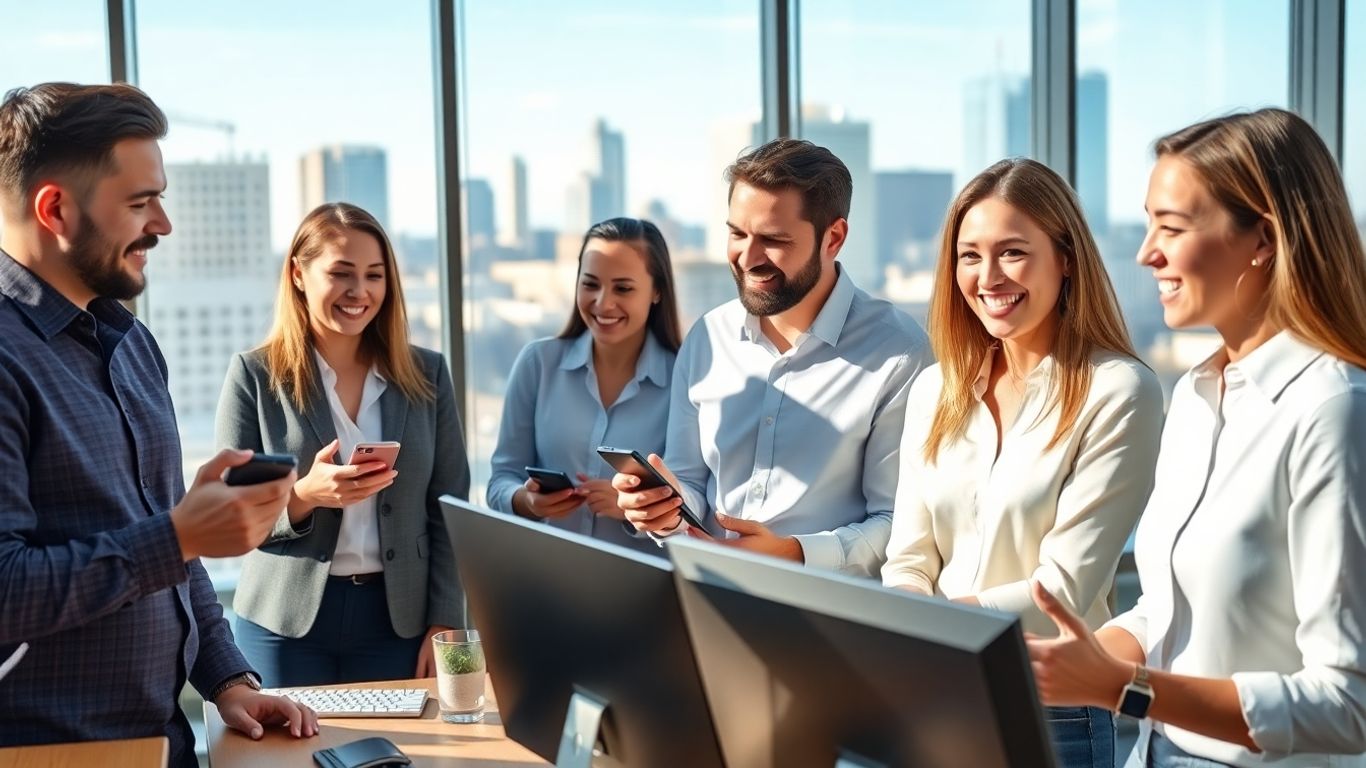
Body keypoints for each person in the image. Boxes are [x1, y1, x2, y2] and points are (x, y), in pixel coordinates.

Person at [1027, 108, 1366, 768]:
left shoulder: (1333, 413)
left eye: (1171, 226)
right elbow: (1175, 609)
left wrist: (1123, 687)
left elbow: (1348, 705)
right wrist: (1068, 663)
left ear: (1262, 239)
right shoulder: (1194, 395)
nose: (1145, 251)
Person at [0, 83, 316, 766]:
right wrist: (175, 534)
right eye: (141, 202)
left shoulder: (130, 344)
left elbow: (171, 546)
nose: (163, 224)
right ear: (55, 208)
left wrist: (227, 678)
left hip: (158, 745)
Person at [881, 158, 1164, 768]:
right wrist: (915, 620)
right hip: (933, 691)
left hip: (1047, 703)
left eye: (1012, 252)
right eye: (970, 255)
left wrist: (935, 627)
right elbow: (908, 556)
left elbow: (1064, 585)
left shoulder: (1120, 391)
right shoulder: (936, 389)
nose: (987, 277)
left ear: (1066, 258)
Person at [614, 138, 932, 578]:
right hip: (712, 601)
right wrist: (664, 509)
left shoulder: (898, 352)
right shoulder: (708, 336)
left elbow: (902, 524)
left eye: (773, 239)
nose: (747, 257)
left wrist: (795, 553)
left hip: (831, 620)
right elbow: (690, 481)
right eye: (737, 234)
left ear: (833, 238)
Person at [215, 202, 470, 687]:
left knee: (400, 759)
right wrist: (304, 497)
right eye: (341, 273)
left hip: (400, 623)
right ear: (297, 273)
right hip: (285, 626)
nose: (360, 292)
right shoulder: (254, 376)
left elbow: (449, 506)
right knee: (284, 761)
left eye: (375, 275)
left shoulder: (428, 374)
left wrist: (446, 621)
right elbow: (229, 519)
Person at [487, 217, 682, 552]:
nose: (603, 303)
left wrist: (634, 509)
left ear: (657, 292)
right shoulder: (538, 363)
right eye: (590, 284)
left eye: (623, 288)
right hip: (548, 581)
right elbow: (499, 482)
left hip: (641, 590)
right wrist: (526, 501)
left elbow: (692, 508)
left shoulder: (683, 380)